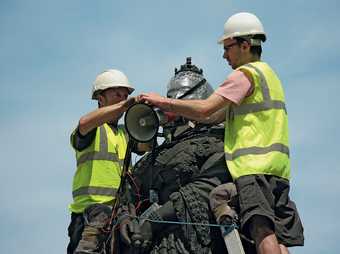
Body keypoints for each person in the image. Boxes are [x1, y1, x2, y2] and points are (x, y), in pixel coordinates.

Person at [139, 12, 304, 254]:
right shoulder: (269, 75)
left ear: (245, 45)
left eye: (227, 48)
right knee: (277, 235)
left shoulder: (244, 75)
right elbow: (213, 116)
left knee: (261, 229)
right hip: (277, 171)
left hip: (253, 168)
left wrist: (163, 102)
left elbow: (206, 109)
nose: (224, 55)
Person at [117, 58, 233, 254]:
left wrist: (156, 220)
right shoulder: (155, 155)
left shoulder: (217, 142)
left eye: (181, 105)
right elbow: (130, 189)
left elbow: (208, 186)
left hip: (192, 243)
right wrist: (125, 217)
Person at [67, 69, 138, 254]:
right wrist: (124, 106)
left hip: (119, 213)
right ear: (100, 98)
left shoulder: (125, 133)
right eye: (117, 94)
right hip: (89, 214)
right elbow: (84, 124)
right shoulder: (93, 128)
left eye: (125, 96)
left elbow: (148, 143)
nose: (122, 99)